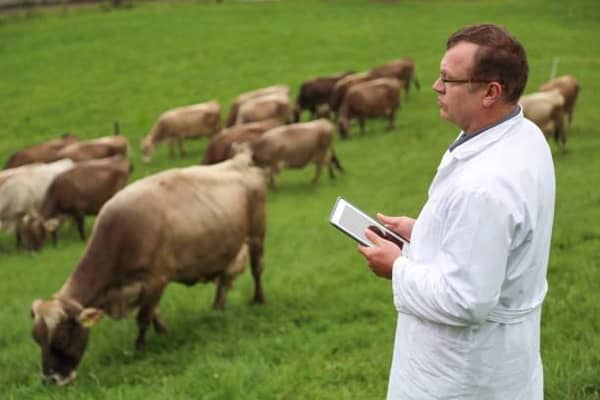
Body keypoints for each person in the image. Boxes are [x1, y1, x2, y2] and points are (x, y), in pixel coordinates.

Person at [358, 24, 555, 399]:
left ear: (490, 92)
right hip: (502, 357)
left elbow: (466, 300)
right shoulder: (524, 134)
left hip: (462, 374)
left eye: (449, 79)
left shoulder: (485, 185)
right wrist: (426, 231)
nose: (436, 86)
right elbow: (494, 238)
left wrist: (395, 266)